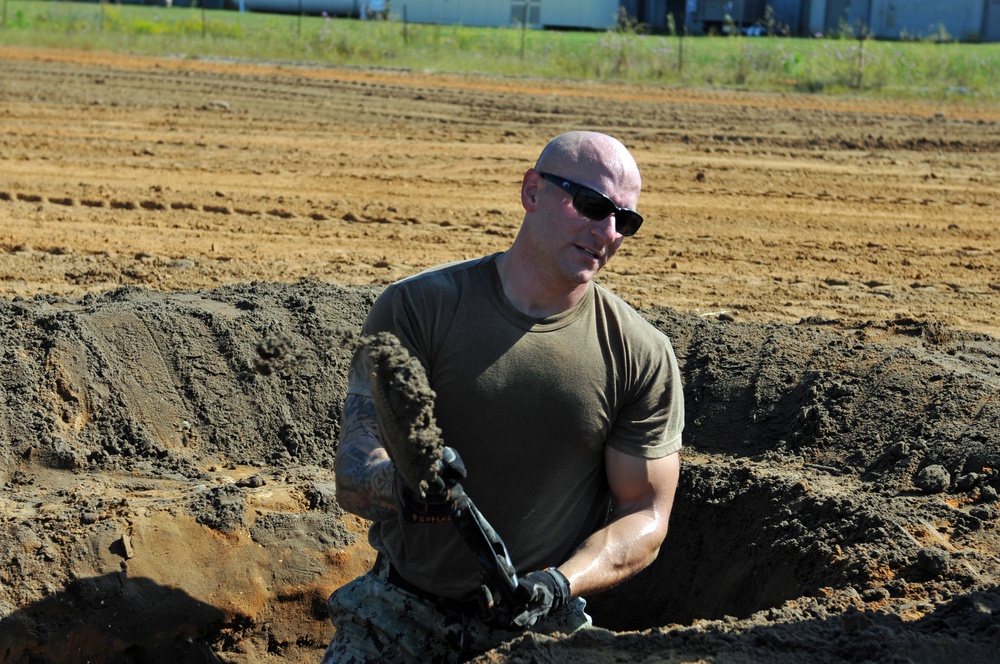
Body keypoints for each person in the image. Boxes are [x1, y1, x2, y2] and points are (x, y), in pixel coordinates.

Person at [322, 131, 684, 663]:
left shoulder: (641, 354)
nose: (607, 232)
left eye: (624, 221)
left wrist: (561, 584)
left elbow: (646, 513)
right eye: (591, 206)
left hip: (543, 627)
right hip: (400, 611)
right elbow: (353, 469)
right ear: (532, 191)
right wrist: (406, 487)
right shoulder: (420, 308)